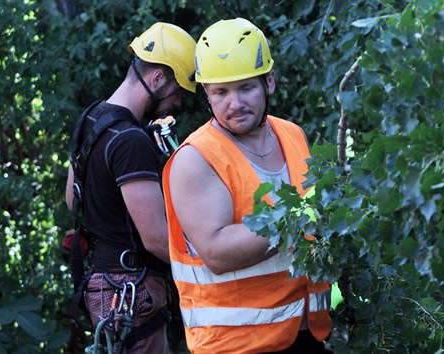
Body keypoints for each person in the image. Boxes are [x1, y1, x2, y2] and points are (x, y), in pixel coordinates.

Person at [163, 18, 332, 353]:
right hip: (235, 344)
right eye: (221, 92)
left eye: (245, 88)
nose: (234, 104)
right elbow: (217, 252)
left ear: (268, 82)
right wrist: (302, 214)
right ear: (206, 95)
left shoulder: (292, 134)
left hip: (305, 333)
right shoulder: (195, 159)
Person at [64, 22, 196, 353]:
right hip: (131, 293)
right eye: (178, 91)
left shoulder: (91, 119)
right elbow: (154, 238)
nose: (177, 102)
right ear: (158, 78)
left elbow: (71, 200)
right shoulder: (130, 141)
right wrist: (209, 267)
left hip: (104, 287)